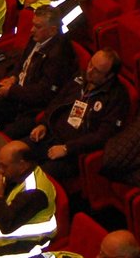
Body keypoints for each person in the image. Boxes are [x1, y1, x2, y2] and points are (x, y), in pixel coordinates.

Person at [20, 51, 130, 181]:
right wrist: (43, 124)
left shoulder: (117, 98)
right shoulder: (81, 77)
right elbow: (57, 100)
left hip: (73, 153)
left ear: (109, 76)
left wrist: (68, 148)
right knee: (12, 152)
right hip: (51, 135)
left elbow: (103, 136)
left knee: (37, 178)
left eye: (97, 71)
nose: (89, 71)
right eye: (90, 64)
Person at [0, 4, 74, 130]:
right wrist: (13, 77)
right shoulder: (36, 38)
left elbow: (42, 93)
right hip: (17, 94)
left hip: (30, 108)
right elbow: (22, 62)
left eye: (38, 26)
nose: (32, 29)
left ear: (53, 30)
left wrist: (11, 90)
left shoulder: (59, 56)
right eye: (33, 24)